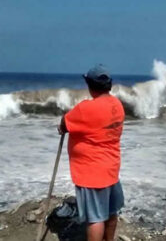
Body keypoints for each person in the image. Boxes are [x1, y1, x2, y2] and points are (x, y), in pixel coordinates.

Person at [58, 64, 125, 241]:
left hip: (91, 172)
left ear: (89, 84)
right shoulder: (117, 104)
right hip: (111, 168)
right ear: (109, 85)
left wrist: (64, 120)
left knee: (95, 219)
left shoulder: (86, 109)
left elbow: (64, 125)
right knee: (111, 212)